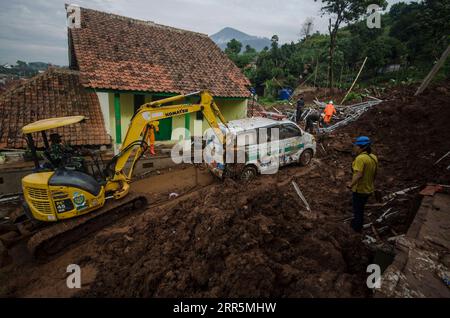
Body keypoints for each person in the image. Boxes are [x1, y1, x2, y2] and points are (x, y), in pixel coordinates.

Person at [347, 136, 378, 232]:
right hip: (368, 188)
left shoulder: (360, 158)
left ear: (362, 147)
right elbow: (375, 173)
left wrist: (350, 184)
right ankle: (356, 222)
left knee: (358, 210)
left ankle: (356, 229)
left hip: (359, 189)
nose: (355, 148)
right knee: (360, 208)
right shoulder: (373, 157)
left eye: (356, 146)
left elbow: (359, 174)